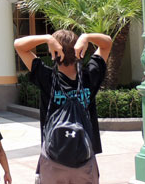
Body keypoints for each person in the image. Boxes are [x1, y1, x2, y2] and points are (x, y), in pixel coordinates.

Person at [14, 30, 112, 184]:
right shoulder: (90, 76)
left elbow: (19, 45)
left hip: (54, 158)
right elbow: (107, 44)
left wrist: (47, 38)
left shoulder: (47, 78)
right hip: (84, 158)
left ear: (53, 52)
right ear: (80, 50)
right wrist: (87, 37)